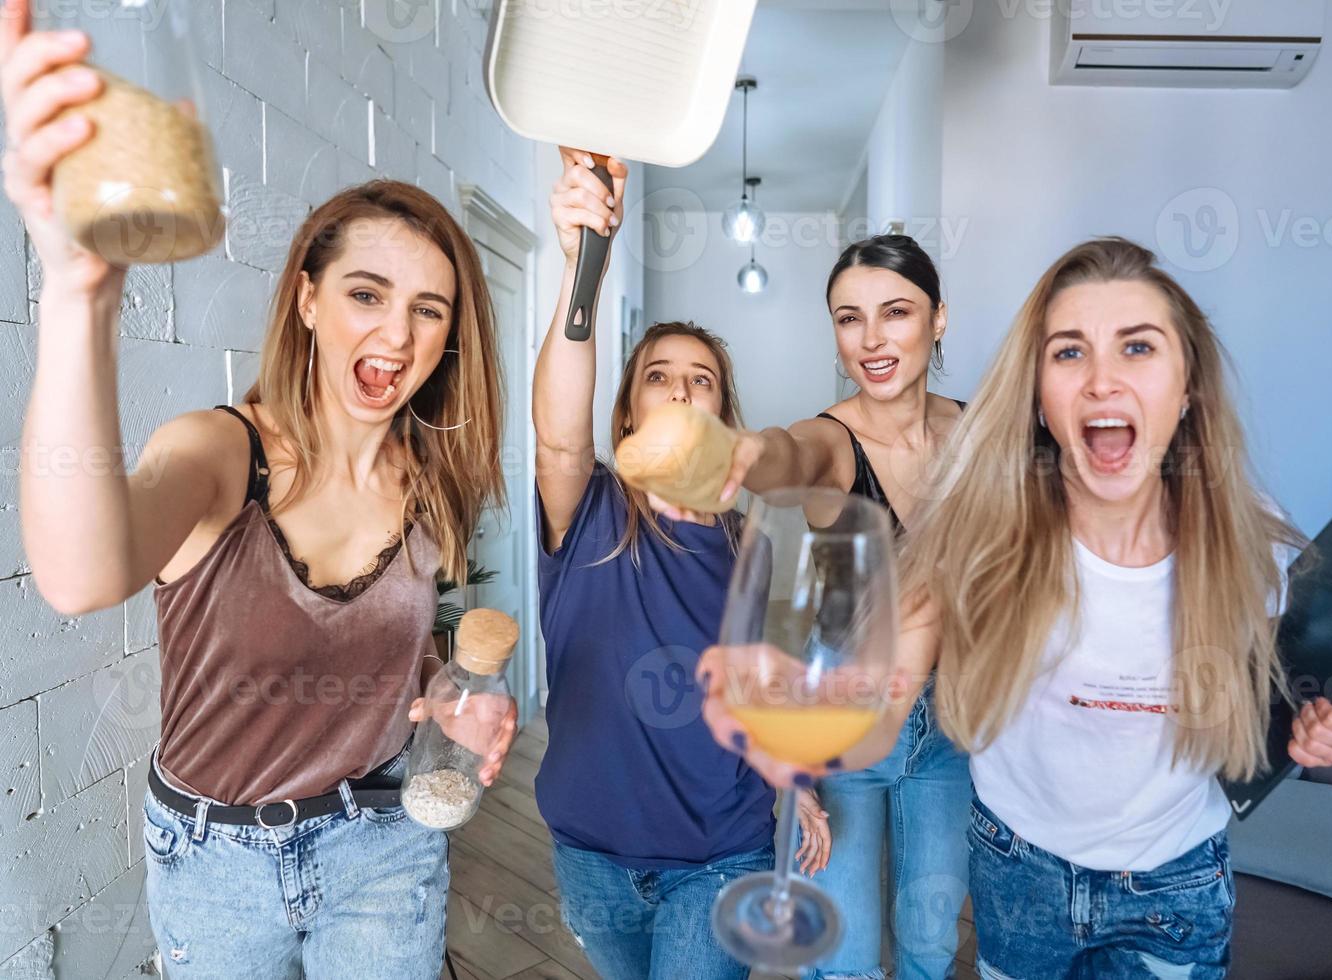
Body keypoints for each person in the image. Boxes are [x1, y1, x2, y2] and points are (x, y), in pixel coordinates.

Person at [701, 237, 1332, 979]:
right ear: (1036, 393)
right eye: (1067, 353)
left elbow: (1275, 694)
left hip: (1173, 885)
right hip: (1016, 873)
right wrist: (797, 731)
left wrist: (1312, 722)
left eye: (1136, 347)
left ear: (1187, 384)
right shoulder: (978, 524)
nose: (1100, 381)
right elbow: (886, 697)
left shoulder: (1250, 538)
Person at [4, 11, 516, 975]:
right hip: (215, 866)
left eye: (427, 311)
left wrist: (451, 699)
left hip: (385, 847)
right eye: (367, 294)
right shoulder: (219, 455)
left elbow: (388, 668)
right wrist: (79, 295)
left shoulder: (430, 484)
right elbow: (78, 576)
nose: (397, 337)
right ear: (308, 301)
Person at [532, 148, 830, 980]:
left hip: (721, 852)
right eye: (656, 376)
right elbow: (558, 431)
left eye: (698, 380)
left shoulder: (752, 547)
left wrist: (798, 782)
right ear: (628, 407)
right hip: (588, 849)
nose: (676, 390)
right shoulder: (585, 509)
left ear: (723, 414)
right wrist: (581, 267)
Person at [672, 235, 973, 979]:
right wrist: (746, 453)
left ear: (938, 319)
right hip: (848, 707)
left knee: (932, 943)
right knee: (841, 957)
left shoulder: (978, 435)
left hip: (957, 722)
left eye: (895, 312)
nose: (870, 339)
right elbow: (788, 452)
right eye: (848, 318)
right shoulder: (833, 441)